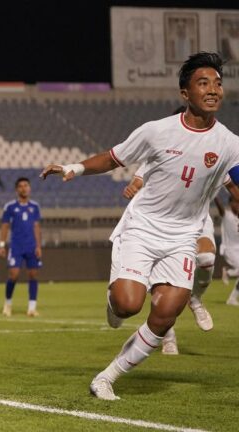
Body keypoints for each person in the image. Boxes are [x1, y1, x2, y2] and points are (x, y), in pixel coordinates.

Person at [41, 52, 239, 400]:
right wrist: (75, 167)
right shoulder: (157, 131)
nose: (213, 90)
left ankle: (106, 377)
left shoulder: (230, 144)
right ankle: (114, 300)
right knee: (127, 305)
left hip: (183, 237)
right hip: (143, 228)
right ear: (185, 94)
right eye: (203, 83)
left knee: (165, 314)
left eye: (218, 84)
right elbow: (113, 157)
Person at [116, 164, 220, 355]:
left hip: (197, 217)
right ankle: (168, 337)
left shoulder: (216, 148)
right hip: (162, 221)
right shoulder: (162, 147)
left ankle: (195, 299)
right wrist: (133, 186)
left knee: (206, 258)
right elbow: (139, 179)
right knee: (160, 282)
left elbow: (232, 185)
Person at [0, 177, 42, 317]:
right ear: (17, 189)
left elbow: (36, 227)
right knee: (14, 275)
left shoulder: (35, 206)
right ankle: (8, 303)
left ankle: (32, 308)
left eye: (26, 185)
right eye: (21, 186)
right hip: (16, 246)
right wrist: (2, 244)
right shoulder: (10, 207)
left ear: (29, 188)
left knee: (33, 275)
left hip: (31, 246)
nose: (24, 188)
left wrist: (38, 246)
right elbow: (5, 226)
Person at [215, 195, 239, 305]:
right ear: (230, 204)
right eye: (235, 202)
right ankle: (228, 272)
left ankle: (232, 299)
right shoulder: (226, 214)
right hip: (229, 249)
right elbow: (220, 208)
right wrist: (215, 196)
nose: (237, 205)